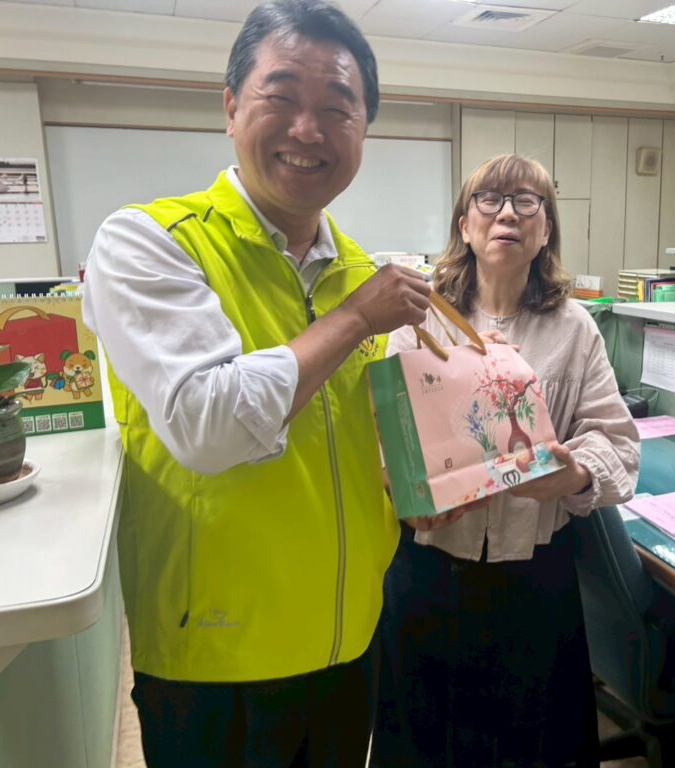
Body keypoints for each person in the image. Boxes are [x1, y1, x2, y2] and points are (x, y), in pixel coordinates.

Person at [81, 2, 430, 766]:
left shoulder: (361, 270)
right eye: (283, 97)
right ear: (232, 107)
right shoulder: (150, 242)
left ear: (363, 131)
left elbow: (360, 442)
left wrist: (430, 480)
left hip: (348, 641)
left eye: (338, 107)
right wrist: (354, 319)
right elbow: (209, 427)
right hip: (219, 663)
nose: (308, 129)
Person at [372, 154, 640, 768]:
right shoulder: (418, 320)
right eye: (489, 201)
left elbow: (615, 439)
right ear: (464, 226)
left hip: (535, 577)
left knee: (533, 745)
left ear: (546, 231)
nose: (507, 216)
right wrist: (403, 494)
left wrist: (573, 473)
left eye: (527, 202)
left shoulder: (575, 329)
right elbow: (385, 439)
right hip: (430, 567)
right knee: (424, 744)